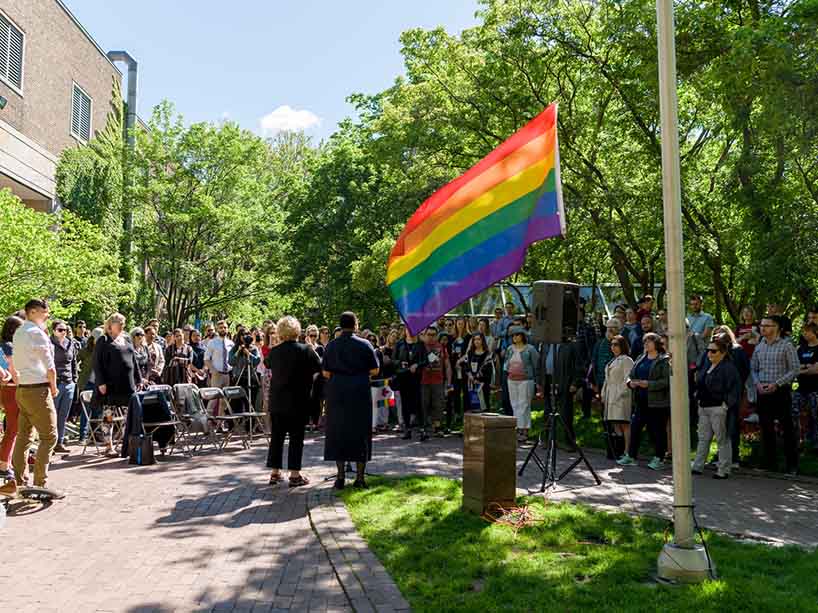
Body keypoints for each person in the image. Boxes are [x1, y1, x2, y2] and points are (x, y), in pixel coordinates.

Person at [0, 300, 60, 497]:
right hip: (38, 389)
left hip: (22, 389)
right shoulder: (36, 333)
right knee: (50, 436)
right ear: (33, 312)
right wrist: (53, 387)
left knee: (24, 436)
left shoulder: (19, 333)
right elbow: (50, 367)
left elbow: (14, 366)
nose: (47, 315)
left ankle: (18, 481)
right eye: (45, 312)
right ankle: (40, 484)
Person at [322, 311, 380, 489]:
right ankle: (360, 478)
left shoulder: (331, 346)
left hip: (337, 393)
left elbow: (325, 372)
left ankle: (340, 477)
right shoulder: (365, 344)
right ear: (356, 325)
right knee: (360, 432)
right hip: (359, 392)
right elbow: (375, 370)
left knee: (338, 432)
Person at [264, 316, 321, 488]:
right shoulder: (306, 350)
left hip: (278, 400)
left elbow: (267, 364)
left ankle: (274, 472)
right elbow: (319, 366)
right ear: (297, 330)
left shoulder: (274, 351)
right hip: (298, 400)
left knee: (277, 438)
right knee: (296, 438)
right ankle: (295, 475)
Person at [751, 315, 800, 474]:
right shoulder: (760, 346)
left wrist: (776, 384)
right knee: (766, 428)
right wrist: (757, 383)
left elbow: (795, 369)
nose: (762, 328)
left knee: (787, 429)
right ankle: (770, 463)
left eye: (767, 325)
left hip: (780, 391)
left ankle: (791, 465)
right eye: (761, 325)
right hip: (762, 391)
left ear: (777, 327)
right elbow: (753, 368)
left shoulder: (787, 346)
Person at [691, 335, 742, 479]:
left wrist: (725, 405)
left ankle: (723, 469)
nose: (709, 354)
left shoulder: (729, 368)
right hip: (704, 407)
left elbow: (735, 390)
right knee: (703, 438)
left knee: (722, 439)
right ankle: (698, 466)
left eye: (713, 351)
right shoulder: (707, 365)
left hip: (718, 408)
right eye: (708, 350)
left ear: (723, 352)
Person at [619, 332, 671, 470]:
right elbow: (630, 375)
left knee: (657, 431)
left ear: (657, 344)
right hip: (641, 401)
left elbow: (667, 381)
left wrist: (649, 384)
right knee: (635, 428)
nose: (646, 344)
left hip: (657, 403)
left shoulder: (664, 360)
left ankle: (659, 458)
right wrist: (631, 383)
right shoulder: (641, 358)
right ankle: (631, 456)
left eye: (649, 341)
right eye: (645, 341)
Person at [93, 313, 143, 454]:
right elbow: (97, 363)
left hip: (128, 385)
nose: (122, 325)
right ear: (110, 324)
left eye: (123, 323)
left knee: (128, 416)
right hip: (110, 385)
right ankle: (109, 446)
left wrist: (139, 378)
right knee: (109, 415)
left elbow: (133, 361)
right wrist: (101, 382)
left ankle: (124, 444)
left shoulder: (126, 339)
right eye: (119, 322)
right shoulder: (103, 340)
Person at [504, 326, 540, 444]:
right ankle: (517, 428)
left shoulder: (530, 349)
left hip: (526, 380)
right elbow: (506, 363)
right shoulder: (510, 349)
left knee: (524, 404)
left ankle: (524, 430)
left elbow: (537, 365)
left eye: (517, 335)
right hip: (511, 380)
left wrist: (538, 382)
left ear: (523, 336)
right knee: (514, 404)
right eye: (513, 335)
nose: (515, 337)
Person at [601, 334, 634, 462]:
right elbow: (607, 380)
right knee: (614, 423)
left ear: (622, 346)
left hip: (621, 396)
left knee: (624, 423)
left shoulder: (626, 360)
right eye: (612, 344)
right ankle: (618, 450)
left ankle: (627, 451)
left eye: (616, 344)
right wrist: (604, 394)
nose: (613, 347)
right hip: (610, 394)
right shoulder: (612, 360)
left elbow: (628, 378)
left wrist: (620, 393)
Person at [0, 315, 23, 481]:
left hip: (10, 388)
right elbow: (13, 373)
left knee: (14, 429)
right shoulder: (8, 347)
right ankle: (3, 465)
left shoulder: (8, 345)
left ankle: (8, 463)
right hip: (11, 390)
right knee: (13, 429)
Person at [394, 328, 428, 440]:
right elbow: (393, 360)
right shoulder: (399, 344)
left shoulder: (420, 344)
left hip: (416, 378)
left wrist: (417, 365)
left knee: (418, 403)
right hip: (403, 377)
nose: (410, 331)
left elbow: (425, 361)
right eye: (408, 329)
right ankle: (407, 429)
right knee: (405, 404)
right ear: (405, 330)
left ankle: (422, 430)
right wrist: (400, 363)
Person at [50, 319, 78, 453]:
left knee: (63, 415)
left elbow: (73, 363)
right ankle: (50, 444)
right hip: (55, 383)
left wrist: (74, 380)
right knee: (52, 415)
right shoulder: (49, 343)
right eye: (60, 330)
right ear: (54, 331)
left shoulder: (70, 343)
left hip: (69, 384)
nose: (63, 332)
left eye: (65, 330)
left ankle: (59, 442)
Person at [421, 326, 451, 435]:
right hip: (423, 381)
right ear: (425, 335)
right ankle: (424, 427)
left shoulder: (441, 347)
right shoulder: (421, 346)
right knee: (424, 404)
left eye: (433, 335)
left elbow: (447, 365)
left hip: (438, 381)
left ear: (437, 335)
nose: (431, 337)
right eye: (429, 334)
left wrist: (449, 381)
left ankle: (437, 427)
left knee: (438, 404)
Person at [793, 322, 818, 451]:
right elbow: (794, 368)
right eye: (803, 331)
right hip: (801, 388)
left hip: (815, 389)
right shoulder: (800, 349)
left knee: (815, 415)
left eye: (807, 331)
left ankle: (815, 442)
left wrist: (804, 368)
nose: (804, 334)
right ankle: (797, 441)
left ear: (814, 332)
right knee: (794, 412)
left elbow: (816, 370)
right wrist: (807, 367)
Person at [204, 320, 234, 415]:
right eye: (221, 328)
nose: (223, 329)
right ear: (217, 329)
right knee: (213, 399)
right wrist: (213, 370)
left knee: (224, 401)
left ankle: (220, 423)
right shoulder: (212, 343)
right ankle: (207, 421)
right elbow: (206, 359)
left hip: (227, 374)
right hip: (217, 374)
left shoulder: (231, 343)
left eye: (225, 327)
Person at [228, 330, 261, 411]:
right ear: (239, 336)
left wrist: (248, 354)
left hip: (251, 379)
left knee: (250, 405)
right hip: (238, 378)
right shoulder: (235, 348)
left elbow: (257, 361)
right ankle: (236, 422)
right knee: (235, 405)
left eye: (247, 334)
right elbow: (231, 362)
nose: (245, 336)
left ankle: (249, 423)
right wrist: (239, 351)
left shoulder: (254, 348)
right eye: (243, 335)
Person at [462, 332, 494, 412]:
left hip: (482, 385)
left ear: (482, 340)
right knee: (470, 405)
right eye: (475, 339)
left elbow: (488, 370)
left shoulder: (488, 354)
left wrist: (478, 378)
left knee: (483, 406)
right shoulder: (469, 353)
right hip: (470, 383)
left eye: (479, 339)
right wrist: (470, 376)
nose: (476, 341)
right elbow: (465, 366)